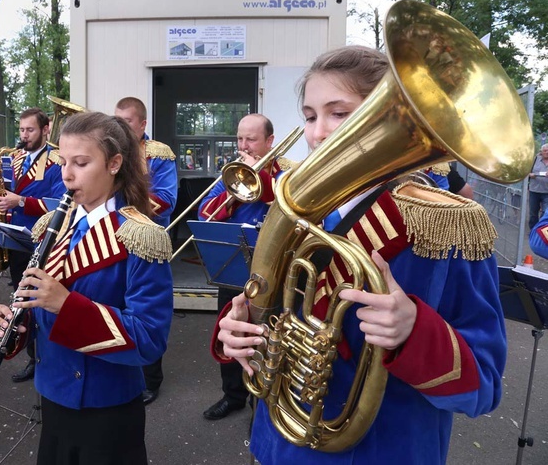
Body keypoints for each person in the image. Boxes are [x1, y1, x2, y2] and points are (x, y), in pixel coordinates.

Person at [214, 46, 506, 464]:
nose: (317, 134)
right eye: (311, 115)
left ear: (389, 120)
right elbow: (270, 315)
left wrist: (414, 331)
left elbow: (486, 386)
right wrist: (241, 330)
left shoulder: (448, 226)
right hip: (278, 443)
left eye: (340, 113)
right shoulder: (296, 209)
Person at [0, 111, 173, 464]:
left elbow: (149, 340)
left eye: (81, 163)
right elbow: (38, 311)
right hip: (53, 392)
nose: (67, 175)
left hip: (107, 405)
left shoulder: (142, 236)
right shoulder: (51, 227)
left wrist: (66, 304)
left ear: (115, 163)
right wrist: (13, 324)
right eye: (63, 162)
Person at [198, 113, 295, 420]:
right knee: (232, 335)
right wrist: (234, 193)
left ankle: (264, 406)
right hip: (233, 272)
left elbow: (288, 206)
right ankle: (233, 395)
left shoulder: (288, 175)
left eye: (251, 139)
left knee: (267, 341)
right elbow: (204, 214)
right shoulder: (231, 175)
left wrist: (257, 180)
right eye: (239, 138)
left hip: (272, 278)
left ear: (269, 142)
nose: (243, 145)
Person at [0, 107, 67, 383]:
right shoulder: (16, 158)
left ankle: (47, 357)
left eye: (30, 130)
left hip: (43, 240)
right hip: (16, 238)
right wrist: (3, 204)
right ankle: (31, 356)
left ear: (46, 129)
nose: (24, 135)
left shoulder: (57, 161)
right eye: (22, 130)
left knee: (42, 303)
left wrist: (21, 201)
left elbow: (59, 204)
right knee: (22, 300)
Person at [115, 96, 178, 404]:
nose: (120, 128)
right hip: (113, 237)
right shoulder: (111, 150)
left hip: (146, 238)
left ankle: (151, 380)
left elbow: (167, 197)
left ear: (142, 124)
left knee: (145, 309)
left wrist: (126, 203)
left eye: (126, 122)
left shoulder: (158, 154)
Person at [528, 144, 548, 229]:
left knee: (545, 213)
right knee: (533, 214)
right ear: (541, 152)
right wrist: (530, 175)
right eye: (545, 151)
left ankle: (541, 232)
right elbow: (526, 172)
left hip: (546, 192)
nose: (547, 152)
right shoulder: (535, 160)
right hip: (534, 190)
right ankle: (533, 231)